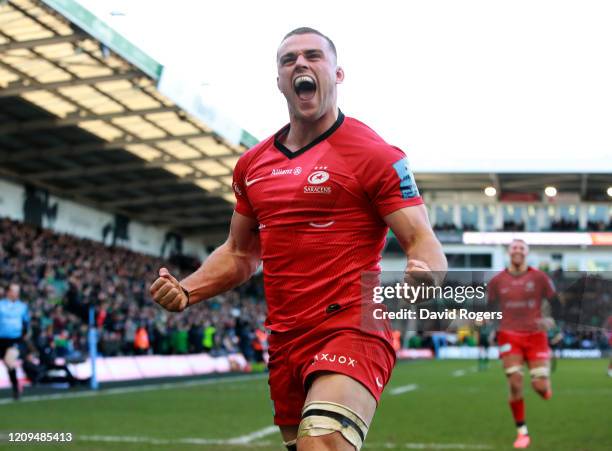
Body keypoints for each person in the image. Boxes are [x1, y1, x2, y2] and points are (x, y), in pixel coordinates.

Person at [150, 27, 446, 451]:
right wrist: (187, 289)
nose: (301, 65)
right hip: (285, 340)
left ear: (337, 74)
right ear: (278, 80)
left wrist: (427, 274)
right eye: (289, 60)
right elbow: (239, 252)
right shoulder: (252, 165)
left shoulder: (377, 155)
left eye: (313, 56)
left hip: (352, 324)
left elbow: (422, 241)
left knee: (321, 444)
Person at [488, 239, 556, 449]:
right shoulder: (497, 280)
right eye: (514, 248)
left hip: (535, 335)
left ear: (527, 253)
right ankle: (522, 433)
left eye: (521, 248)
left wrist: (551, 319)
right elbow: (489, 307)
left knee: (540, 387)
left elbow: (556, 303)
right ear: (509, 252)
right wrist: (491, 325)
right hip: (509, 335)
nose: (517, 251)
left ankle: (545, 385)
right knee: (515, 383)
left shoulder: (539, 277)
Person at [0, 283, 29, 400]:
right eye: (14, 291)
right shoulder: (1, 305)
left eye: (18, 291)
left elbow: (26, 323)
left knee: (9, 360)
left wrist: (24, 335)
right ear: (8, 292)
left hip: (15, 339)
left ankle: (17, 387)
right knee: (8, 365)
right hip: (1, 339)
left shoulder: (22, 307)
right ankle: (15, 386)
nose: (16, 294)